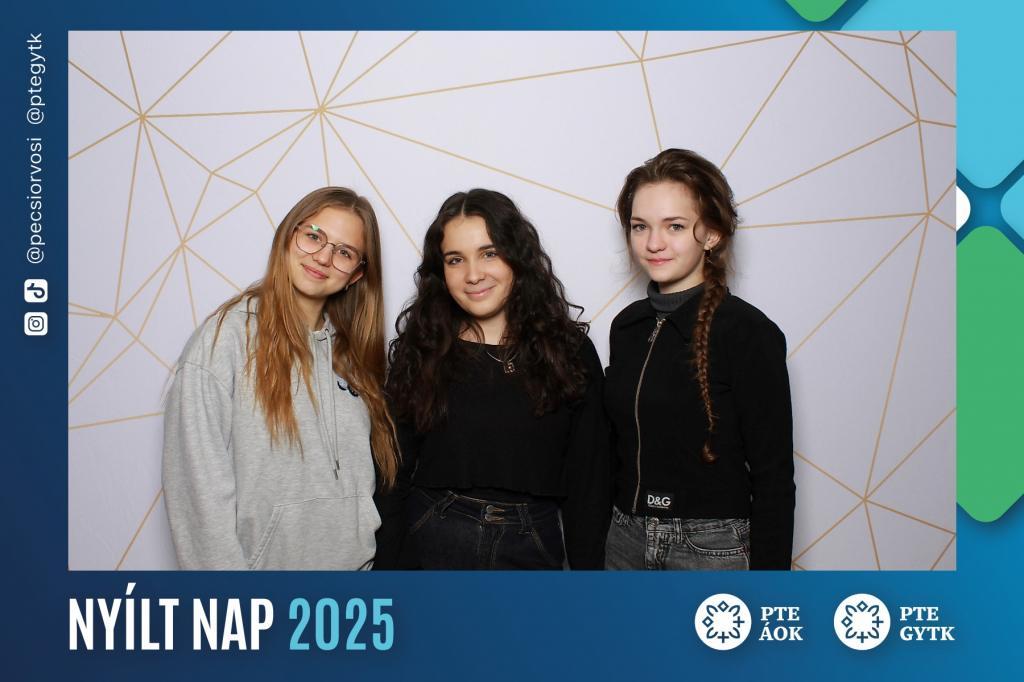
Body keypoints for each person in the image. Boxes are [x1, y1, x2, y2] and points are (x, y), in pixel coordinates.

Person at [162, 187, 398, 570]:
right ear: (288, 236)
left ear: (356, 274)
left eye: (344, 252)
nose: (323, 257)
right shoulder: (223, 342)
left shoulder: (354, 359)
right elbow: (197, 494)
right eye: (314, 236)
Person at [374, 189, 610, 570]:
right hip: (432, 535)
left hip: (534, 543)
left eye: (489, 253)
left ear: (517, 257)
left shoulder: (569, 352)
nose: (473, 275)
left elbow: (589, 483)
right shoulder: (422, 349)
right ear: (440, 271)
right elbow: (391, 476)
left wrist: (590, 583)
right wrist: (391, 574)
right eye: (455, 259)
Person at [604, 149, 795, 570]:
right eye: (640, 226)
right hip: (623, 537)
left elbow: (774, 476)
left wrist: (771, 590)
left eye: (674, 226)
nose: (653, 243)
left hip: (710, 546)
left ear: (712, 234)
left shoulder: (748, 332)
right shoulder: (627, 327)